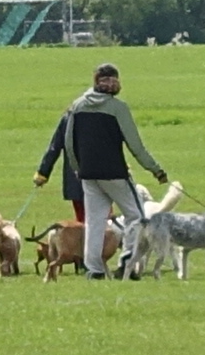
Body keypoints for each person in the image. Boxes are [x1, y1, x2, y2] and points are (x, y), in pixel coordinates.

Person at [33, 63, 176, 278]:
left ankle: (94, 269)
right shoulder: (118, 108)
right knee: (136, 216)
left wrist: (77, 168)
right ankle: (127, 262)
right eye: (110, 80)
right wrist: (156, 170)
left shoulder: (76, 106)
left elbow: (68, 142)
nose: (111, 83)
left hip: (88, 175)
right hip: (115, 173)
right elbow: (135, 145)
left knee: (94, 222)